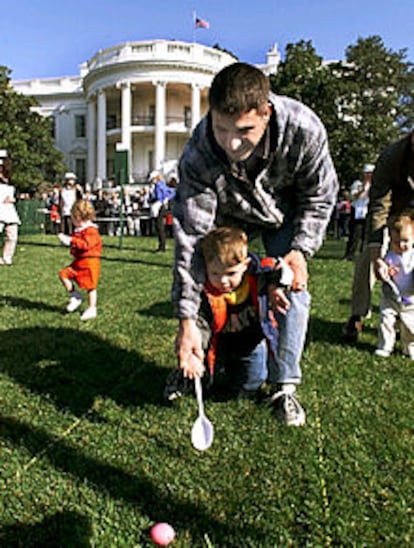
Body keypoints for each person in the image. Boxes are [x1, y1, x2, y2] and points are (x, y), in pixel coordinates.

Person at [171, 62, 338, 426]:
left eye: (245, 130)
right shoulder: (199, 152)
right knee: (209, 277)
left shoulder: (303, 127)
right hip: (228, 215)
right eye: (221, 128)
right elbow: (191, 241)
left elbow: (320, 195)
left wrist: (301, 249)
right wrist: (185, 318)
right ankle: (193, 365)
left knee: (290, 284)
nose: (231, 142)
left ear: (266, 112)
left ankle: (284, 387)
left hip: (287, 214)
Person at [165, 227, 300, 407]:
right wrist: (198, 354)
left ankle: (238, 376)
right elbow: (201, 324)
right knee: (203, 377)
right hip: (217, 341)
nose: (222, 281)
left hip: (250, 342)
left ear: (245, 265)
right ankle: (182, 377)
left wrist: (276, 287)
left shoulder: (259, 275)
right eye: (215, 273)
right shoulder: (204, 291)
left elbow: (279, 269)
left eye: (231, 274)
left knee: (251, 385)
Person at [342, 131, 414, 343]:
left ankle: (408, 318)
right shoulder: (392, 156)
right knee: (366, 260)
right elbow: (379, 207)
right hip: (393, 213)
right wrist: (376, 255)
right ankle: (357, 315)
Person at [375, 213, 414, 358]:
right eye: (397, 242)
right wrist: (386, 271)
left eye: (405, 241)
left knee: (410, 327)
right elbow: (383, 269)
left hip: (410, 299)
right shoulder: (390, 255)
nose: (401, 246)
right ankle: (384, 346)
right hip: (391, 297)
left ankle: (409, 347)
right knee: (386, 321)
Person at [58, 199, 102, 321]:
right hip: (79, 261)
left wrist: (71, 240)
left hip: (90, 262)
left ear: (78, 217)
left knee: (90, 286)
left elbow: (86, 245)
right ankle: (75, 296)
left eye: (72, 218)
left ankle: (92, 308)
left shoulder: (91, 230)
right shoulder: (81, 230)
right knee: (64, 274)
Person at [343, 164, 374, 260]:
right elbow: (354, 197)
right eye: (368, 173)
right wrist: (363, 188)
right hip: (357, 211)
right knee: (354, 235)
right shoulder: (357, 184)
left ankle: (363, 255)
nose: (369, 175)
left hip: (368, 211)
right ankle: (350, 254)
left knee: (366, 236)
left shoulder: (375, 185)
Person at [0, 150, 21, 266]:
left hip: (8, 209)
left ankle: (7, 257)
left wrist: (14, 198)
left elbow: (16, 192)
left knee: (12, 235)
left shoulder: (10, 178)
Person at [149, 171, 176, 252]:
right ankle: (162, 246)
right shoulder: (161, 184)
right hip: (162, 205)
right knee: (160, 227)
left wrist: (163, 199)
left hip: (159, 206)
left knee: (159, 227)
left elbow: (160, 195)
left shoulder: (159, 185)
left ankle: (162, 246)